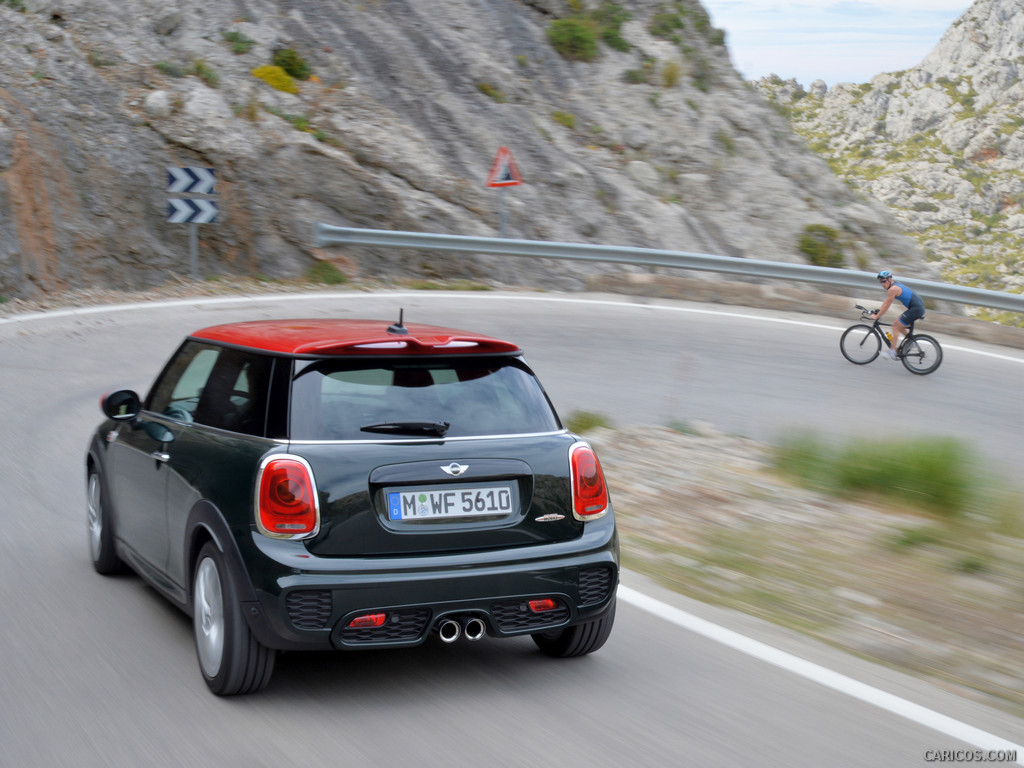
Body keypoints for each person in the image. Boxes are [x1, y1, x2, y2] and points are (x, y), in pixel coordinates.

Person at [869, 270, 925, 359]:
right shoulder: (894, 285)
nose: (882, 284)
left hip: (916, 309)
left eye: (884, 281)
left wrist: (877, 316)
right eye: (881, 282)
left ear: (890, 279)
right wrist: (878, 311)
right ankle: (911, 342)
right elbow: (886, 302)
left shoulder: (893, 289)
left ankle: (893, 352)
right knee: (900, 325)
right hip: (916, 307)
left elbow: (887, 306)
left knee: (895, 326)